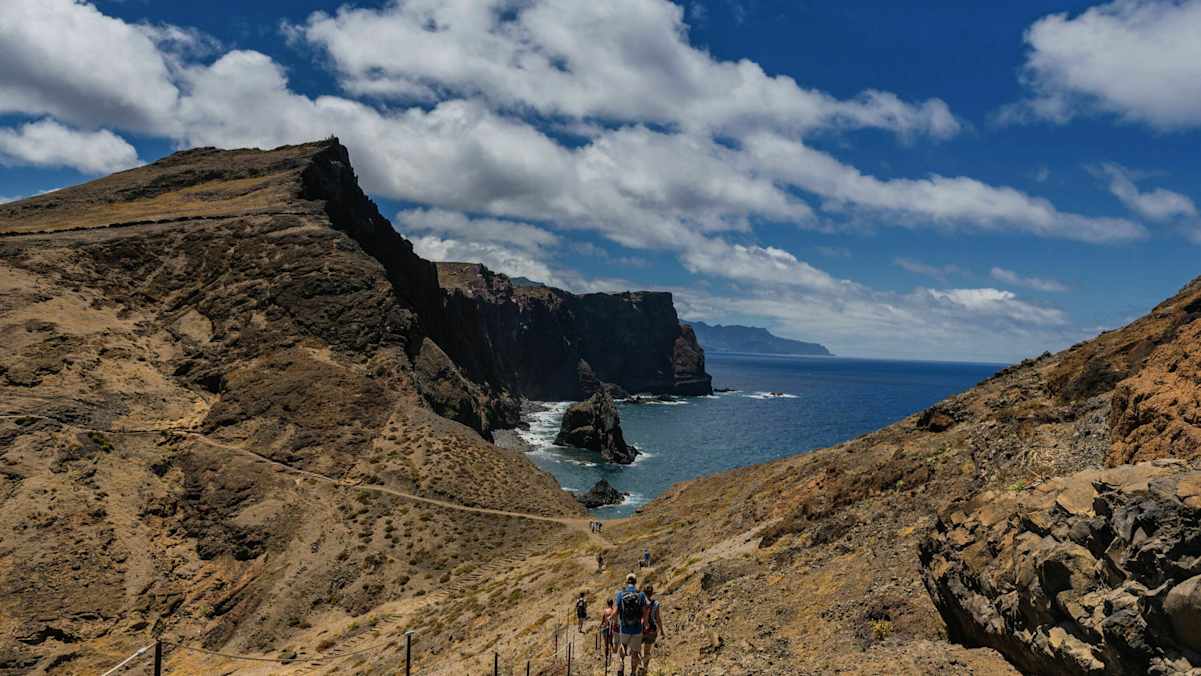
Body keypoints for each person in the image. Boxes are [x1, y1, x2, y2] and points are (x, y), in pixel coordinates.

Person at [614, 573, 649, 676]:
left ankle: (621, 662)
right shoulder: (641, 595)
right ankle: (633, 673)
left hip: (624, 628)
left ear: (626, 582)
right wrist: (646, 623)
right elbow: (645, 611)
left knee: (623, 645)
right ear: (635, 582)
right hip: (637, 629)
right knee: (634, 652)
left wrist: (613, 620)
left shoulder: (620, 594)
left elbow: (615, 612)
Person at [641, 583, 665, 674]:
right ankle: (645, 669)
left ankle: (639, 665)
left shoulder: (640, 603)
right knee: (647, 651)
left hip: (640, 629)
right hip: (651, 630)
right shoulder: (656, 604)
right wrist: (662, 630)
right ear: (652, 593)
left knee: (637, 650)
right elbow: (658, 619)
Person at [600, 597, 617, 668]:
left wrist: (600, 625)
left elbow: (603, 620)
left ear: (607, 603)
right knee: (611, 643)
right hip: (612, 629)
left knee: (606, 644)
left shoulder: (605, 611)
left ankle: (606, 657)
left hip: (605, 628)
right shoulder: (614, 611)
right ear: (612, 603)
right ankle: (613, 656)